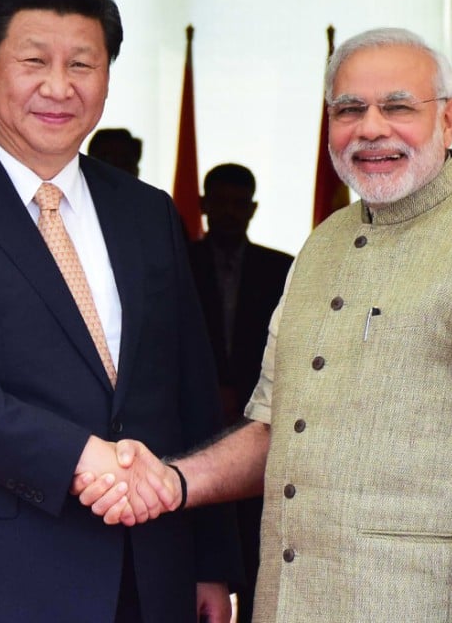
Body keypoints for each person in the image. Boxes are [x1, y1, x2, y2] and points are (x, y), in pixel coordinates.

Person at [79, 27, 452, 623]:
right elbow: (276, 430)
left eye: (397, 106)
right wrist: (171, 481)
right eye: (349, 109)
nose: (370, 128)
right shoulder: (321, 247)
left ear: (448, 120)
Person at [0, 0, 239, 623]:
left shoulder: (148, 213)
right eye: (34, 61)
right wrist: (79, 457)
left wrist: (212, 560)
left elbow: (190, 389)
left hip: (151, 572)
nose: (59, 87)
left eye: (83, 64)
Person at [187, 163, 292, 623]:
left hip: (262, 424)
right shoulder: (177, 260)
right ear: (204, 205)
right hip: (191, 424)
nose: (229, 212)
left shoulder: (282, 268)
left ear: (251, 209)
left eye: (238, 203)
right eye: (220, 202)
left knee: (259, 544)